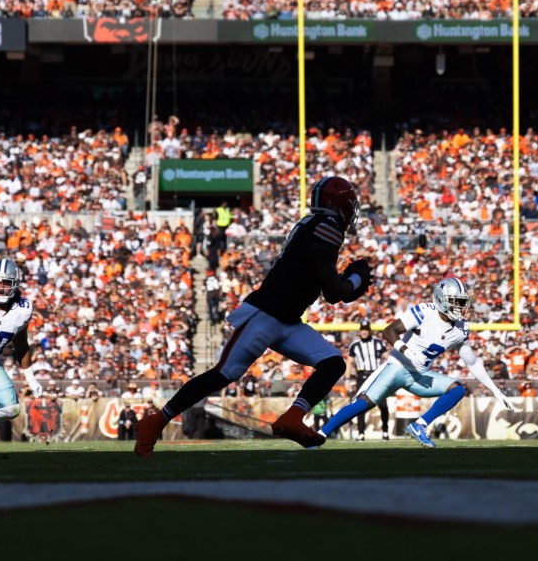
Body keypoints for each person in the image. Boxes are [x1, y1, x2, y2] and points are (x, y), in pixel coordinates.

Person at [134, 176, 370, 456]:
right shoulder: (327, 228)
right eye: (348, 204)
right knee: (225, 373)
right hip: (266, 315)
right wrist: (355, 280)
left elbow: (323, 281)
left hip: (289, 320)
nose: (350, 211)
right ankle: (156, 421)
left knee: (332, 362)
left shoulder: (313, 225)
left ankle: (293, 418)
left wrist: (349, 281)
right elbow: (333, 293)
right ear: (338, 204)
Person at [315, 278, 512, 448]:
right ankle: (319, 435)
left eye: (462, 302)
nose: (460, 307)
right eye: (456, 302)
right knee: (363, 404)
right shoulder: (425, 312)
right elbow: (389, 330)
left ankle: (420, 425)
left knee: (458, 389)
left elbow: (473, 362)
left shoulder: (461, 328)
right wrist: (406, 350)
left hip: (419, 376)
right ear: (442, 301)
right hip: (397, 367)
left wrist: (496, 390)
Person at [0, 259, 44, 450]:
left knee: (12, 409)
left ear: (15, 284)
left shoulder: (22, 310)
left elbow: (21, 345)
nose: (1, 287)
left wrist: (31, 379)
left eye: (6, 283)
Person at [346, 318, 390, 440]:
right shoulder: (355, 345)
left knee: (383, 405)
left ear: (370, 330)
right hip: (361, 377)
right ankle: (361, 433)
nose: (364, 332)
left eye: (366, 329)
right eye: (362, 329)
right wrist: (347, 380)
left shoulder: (378, 342)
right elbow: (349, 362)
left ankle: (385, 431)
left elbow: (388, 357)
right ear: (360, 331)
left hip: (376, 376)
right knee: (360, 406)